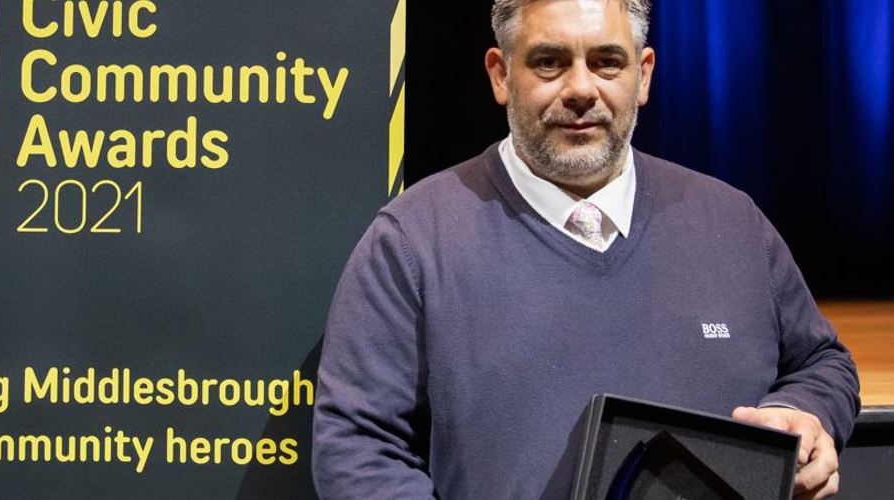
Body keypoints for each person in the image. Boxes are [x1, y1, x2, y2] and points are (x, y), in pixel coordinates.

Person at [312, 0, 860, 498]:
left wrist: (803, 413)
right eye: (549, 62)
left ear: (642, 75)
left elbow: (822, 362)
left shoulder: (732, 221)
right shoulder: (412, 240)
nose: (580, 89)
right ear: (501, 76)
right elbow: (356, 449)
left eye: (606, 62)